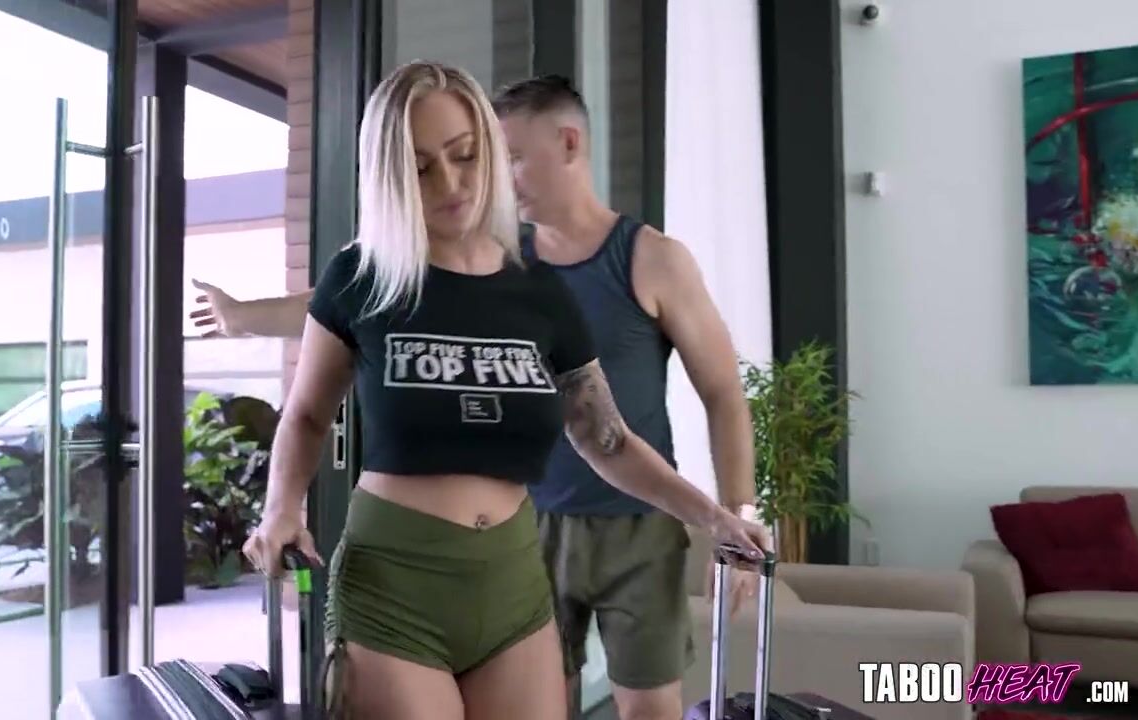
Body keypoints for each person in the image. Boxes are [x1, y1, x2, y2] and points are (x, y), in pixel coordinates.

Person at [238, 60, 769, 720]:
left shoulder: (540, 291)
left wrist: (719, 516)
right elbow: (307, 414)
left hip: (514, 583)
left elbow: (604, 438)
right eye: (421, 167)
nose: (451, 183)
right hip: (395, 581)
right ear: (391, 176)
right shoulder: (361, 276)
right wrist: (281, 508)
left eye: (464, 155)